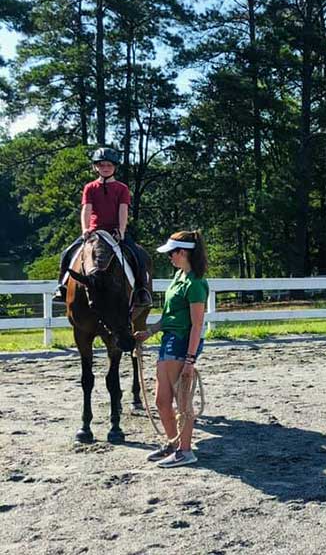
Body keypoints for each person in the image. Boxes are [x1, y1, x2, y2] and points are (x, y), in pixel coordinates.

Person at [134, 230, 209, 468]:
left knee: (181, 400)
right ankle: (173, 443)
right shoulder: (179, 277)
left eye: (172, 253)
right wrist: (150, 331)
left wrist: (189, 360)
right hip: (168, 341)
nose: (170, 258)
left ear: (183, 252)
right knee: (161, 400)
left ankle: (185, 451)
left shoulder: (195, 283)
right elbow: (169, 315)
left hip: (180, 343)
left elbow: (197, 323)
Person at [53, 147, 152, 307]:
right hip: (94, 232)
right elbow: (86, 209)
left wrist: (121, 230)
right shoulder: (90, 187)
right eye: (102, 165)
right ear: (95, 167)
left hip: (114, 231)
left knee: (138, 255)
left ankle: (141, 290)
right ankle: (62, 287)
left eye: (109, 165)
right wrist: (85, 229)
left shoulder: (122, 188)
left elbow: (123, 210)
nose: (105, 168)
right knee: (67, 253)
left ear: (114, 167)